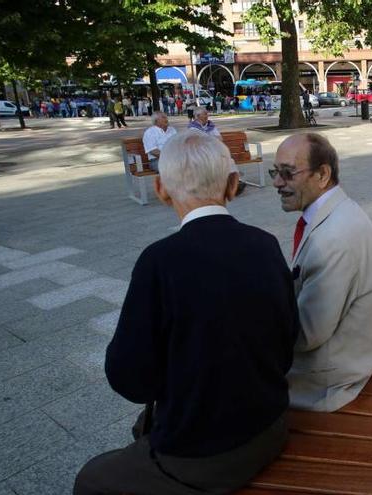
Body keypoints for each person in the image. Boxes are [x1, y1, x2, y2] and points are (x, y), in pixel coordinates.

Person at [74, 130, 298, 495]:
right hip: (270, 427)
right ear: (233, 183)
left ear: (162, 189)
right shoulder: (265, 244)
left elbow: (130, 379)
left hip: (204, 454)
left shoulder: (159, 262)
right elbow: (287, 342)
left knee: (92, 479)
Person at [271, 133, 372, 412]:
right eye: (275, 172)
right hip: (354, 350)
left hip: (330, 379)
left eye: (287, 173)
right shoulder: (339, 212)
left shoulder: (332, 240)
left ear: (322, 174)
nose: (277, 183)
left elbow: (307, 335)